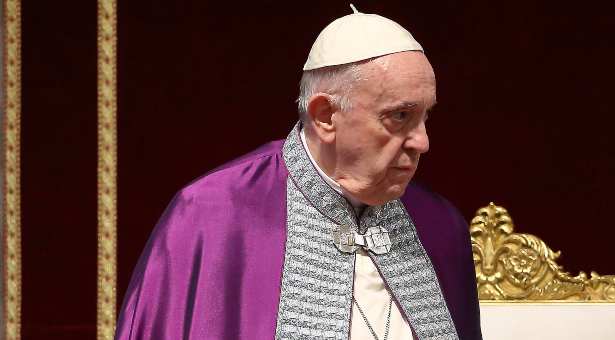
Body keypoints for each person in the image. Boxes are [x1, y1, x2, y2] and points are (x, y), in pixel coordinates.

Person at [115, 6, 483, 340]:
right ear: (326, 116)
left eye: (425, 116)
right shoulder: (210, 214)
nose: (422, 142)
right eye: (399, 117)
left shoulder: (440, 228)